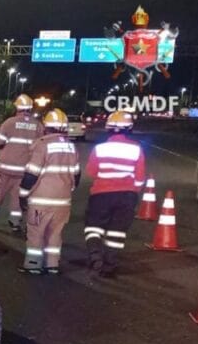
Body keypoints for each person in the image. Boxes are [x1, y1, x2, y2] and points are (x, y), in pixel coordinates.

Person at [17, 109, 81, 274]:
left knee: (36, 233)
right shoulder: (71, 147)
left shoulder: (42, 145)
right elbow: (76, 174)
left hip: (41, 200)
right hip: (63, 201)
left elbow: (31, 174)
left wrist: (23, 195)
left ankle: (33, 264)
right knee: (55, 233)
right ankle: (52, 265)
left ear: (47, 126)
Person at [83, 110, 145, 277]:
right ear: (129, 128)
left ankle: (95, 253)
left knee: (93, 227)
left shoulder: (100, 148)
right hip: (127, 196)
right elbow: (139, 178)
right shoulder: (136, 149)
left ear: (108, 128)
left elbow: (91, 172)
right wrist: (132, 191)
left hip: (101, 194)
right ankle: (109, 266)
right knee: (117, 231)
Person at [0, 94, 43, 233]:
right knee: (17, 196)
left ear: (18, 107)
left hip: (6, 167)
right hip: (25, 170)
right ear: (30, 108)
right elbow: (40, 148)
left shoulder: (9, 122)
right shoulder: (37, 126)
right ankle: (15, 223)